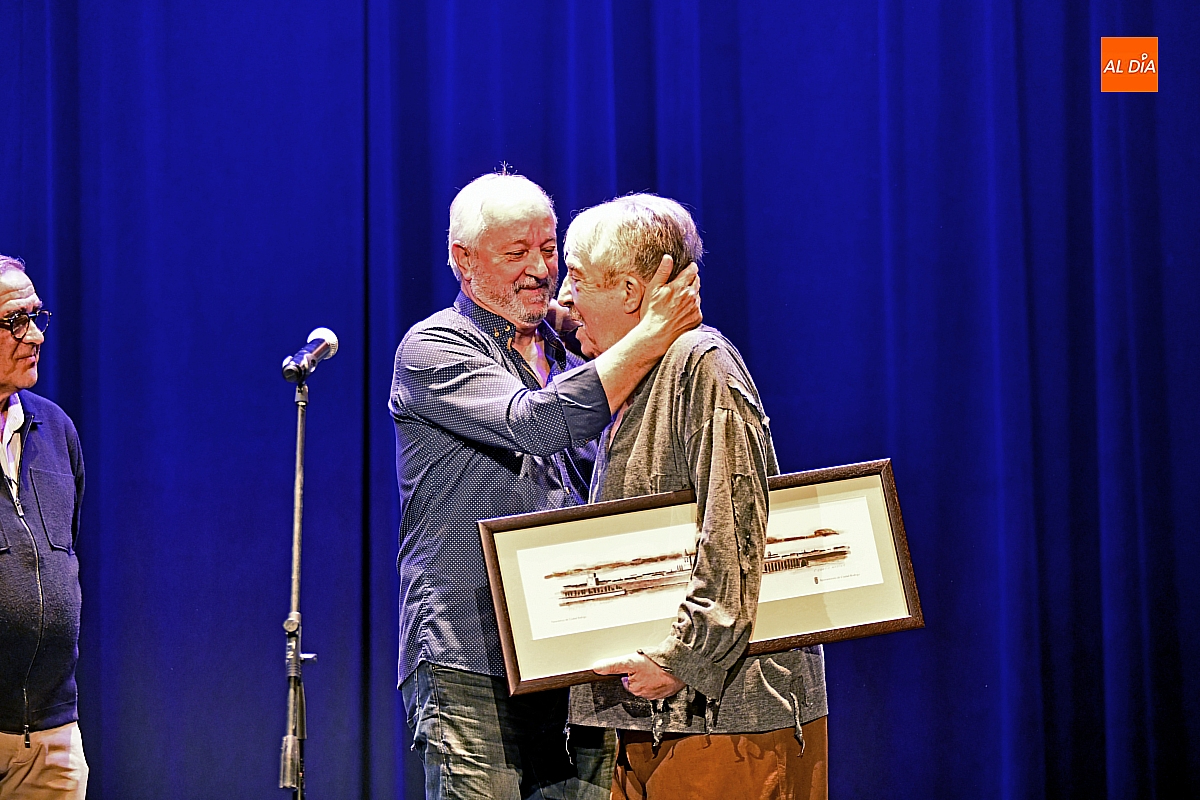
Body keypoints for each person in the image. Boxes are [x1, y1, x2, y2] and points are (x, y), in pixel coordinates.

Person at [389, 172, 702, 800]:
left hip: (575, 653)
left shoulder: (573, 348)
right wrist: (649, 335)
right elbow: (533, 424)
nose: (539, 269)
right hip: (471, 656)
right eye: (516, 253)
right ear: (463, 260)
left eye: (549, 249)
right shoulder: (434, 347)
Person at [557, 195, 829, 800]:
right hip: (657, 720)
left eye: (576, 277)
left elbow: (736, 524)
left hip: (727, 722)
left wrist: (683, 658)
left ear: (631, 291)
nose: (564, 299)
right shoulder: (638, 375)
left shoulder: (700, 363)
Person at [0, 255, 88, 799]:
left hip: (51, 739)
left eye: (35, 317)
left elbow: (67, 553)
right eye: (15, 321)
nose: (33, 335)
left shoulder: (55, 428)